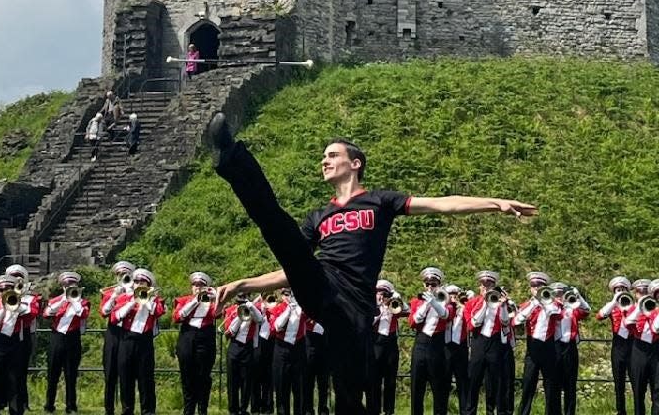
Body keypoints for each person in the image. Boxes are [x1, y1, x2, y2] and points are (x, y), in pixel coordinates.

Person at [208, 113, 537, 415]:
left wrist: (496, 204)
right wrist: (243, 284)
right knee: (277, 226)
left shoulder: (380, 201)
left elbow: (443, 205)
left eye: (332, 155)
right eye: (324, 156)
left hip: (354, 307)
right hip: (322, 283)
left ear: (355, 163)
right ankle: (231, 156)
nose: (324, 161)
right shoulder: (318, 217)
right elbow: (293, 269)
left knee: (351, 398)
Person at [112, 268, 165, 415]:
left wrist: (145, 299)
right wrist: (132, 302)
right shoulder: (124, 298)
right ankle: (127, 410)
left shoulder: (154, 300)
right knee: (125, 377)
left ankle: (148, 411)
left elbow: (158, 312)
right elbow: (115, 317)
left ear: (148, 285)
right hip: (127, 340)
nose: (138, 284)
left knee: (146, 379)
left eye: (142, 282)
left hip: (144, 342)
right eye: (136, 282)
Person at [513, 271, 561, 415]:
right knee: (528, 384)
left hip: (549, 348)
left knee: (551, 386)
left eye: (540, 286)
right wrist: (534, 303)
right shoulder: (528, 305)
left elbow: (557, 313)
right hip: (532, 349)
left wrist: (545, 301)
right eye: (534, 286)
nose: (537, 289)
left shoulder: (554, 304)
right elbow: (516, 321)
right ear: (530, 288)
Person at [0, 274, 31, 415]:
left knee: (15, 379)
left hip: (16, 344)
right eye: (3, 290)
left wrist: (15, 304)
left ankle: (16, 410)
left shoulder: (20, 303)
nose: (6, 292)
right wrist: (3, 309)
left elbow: (30, 314)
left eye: (9, 289)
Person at [464, 270, 510, 415]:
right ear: (479, 287)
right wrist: (484, 302)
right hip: (479, 342)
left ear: (494, 286)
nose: (486, 288)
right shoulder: (472, 302)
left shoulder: (500, 302)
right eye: (483, 285)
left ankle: (492, 411)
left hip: (495, 343)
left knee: (494, 381)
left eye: (489, 285)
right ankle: (470, 411)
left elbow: (505, 322)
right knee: (473, 380)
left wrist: (502, 305)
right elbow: (474, 323)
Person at [43, 272, 90, 414]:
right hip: (57, 338)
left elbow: (83, 314)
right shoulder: (56, 301)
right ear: (63, 287)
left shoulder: (82, 302)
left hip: (73, 339)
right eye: (66, 285)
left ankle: (71, 406)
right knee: (53, 374)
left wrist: (74, 301)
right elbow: (46, 314)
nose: (69, 287)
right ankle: (49, 405)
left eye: (72, 285)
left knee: (71, 374)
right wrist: (63, 300)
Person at [173, 271, 219, 415]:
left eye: (201, 286)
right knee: (187, 375)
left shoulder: (211, 302)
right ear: (192, 287)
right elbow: (178, 317)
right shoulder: (184, 300)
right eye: (195, 285)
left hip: (205, 337)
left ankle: (202, 410)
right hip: (187, 336)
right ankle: (188, 410)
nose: (198, 288)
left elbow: (218, 313)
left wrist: (216, 297)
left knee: (204, 376)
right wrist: (195, 300)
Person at [409, 267, 453, 415]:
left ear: (439, 285)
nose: (430, 287)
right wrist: (427, 303)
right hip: (421, 344)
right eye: (427, 284)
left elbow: (446, 315)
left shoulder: (446, 301)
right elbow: (414, 321)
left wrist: (434, 302)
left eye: (433, 284)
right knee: (417, 387)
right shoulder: (416, 302)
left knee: (438, 388)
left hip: (437, 345)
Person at [596, 275, 635, 415]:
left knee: (636, 380)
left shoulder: (634, 306)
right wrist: (614, 301)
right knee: (618, 382)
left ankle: (638, 410)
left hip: (633, 345)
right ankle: (620, 410)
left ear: (628, 290)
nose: (620, 292)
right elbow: (599, 316)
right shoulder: (611, 307)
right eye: (617, 289)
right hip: (618, 345)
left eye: (623, 289)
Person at [100, 261, 136, 415]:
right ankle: (109, 409)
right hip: (113, 334)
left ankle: (127, 409)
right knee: (109, 373)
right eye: (120, 275)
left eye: (126, 275)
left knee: (126, 373)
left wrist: (129, 292)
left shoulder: (136, 292)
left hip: (128, 335)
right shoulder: (110, 293)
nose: (123, 277)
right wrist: (115, 295)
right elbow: (104, 312)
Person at [6, 262, 40, 415]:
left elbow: (30, 314)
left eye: (19, 278)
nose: (16, 281)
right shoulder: (3, 295)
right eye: (13, 278)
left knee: (20, 371)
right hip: (6, 335)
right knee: (6, 370)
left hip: (24, 335)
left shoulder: (30, 297)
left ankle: (22, 402)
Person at [370, 279, 407, 415]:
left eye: (384, 294)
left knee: (390, 380)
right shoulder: (371, 307)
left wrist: (396, 297)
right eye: (379, 293)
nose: (381, 296)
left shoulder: (393, 305)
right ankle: (374, 409)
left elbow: (406, 310)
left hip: (391, 344)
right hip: (376, 343)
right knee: (375, 379)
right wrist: (379, 310)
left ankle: (389, 410)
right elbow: (369, 322)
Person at [553, 283, 590, 415]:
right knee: (555, 384)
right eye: (556, 294)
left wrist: (577, 295)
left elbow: (586, 310)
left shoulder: (572, 307)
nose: (559, 296)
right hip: (555, 347)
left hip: (570, 346)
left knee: (570, 384)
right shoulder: (551, 307)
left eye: (561, 294)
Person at [223, 295, 264, 415]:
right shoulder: (230, 311)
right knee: (232, 381)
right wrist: (240, 316)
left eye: (244, 300)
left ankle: (243, 409)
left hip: (248, 348)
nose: (242, 302)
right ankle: (233, 409)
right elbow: (229, 331)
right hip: (234, 346)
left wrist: (251, 307)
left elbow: (260, 319)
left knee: (247, 381)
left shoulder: (254, 310)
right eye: (240, 300)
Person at [268, 289, 306, 414]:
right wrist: (289, 309)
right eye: (287, 294)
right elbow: (276, 327)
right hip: (281, 349)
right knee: (281, 387)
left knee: (299, 388)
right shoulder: (279, 308)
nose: (290, 296)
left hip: (298, 348)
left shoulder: (303, 308)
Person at [627, 279, 659, 415]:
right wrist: (641, 306)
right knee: (638, 389)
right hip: (639, 350)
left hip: (656, 350)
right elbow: (628, 322)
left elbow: (656, 328)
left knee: (657, 390)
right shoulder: (635, 308)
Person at [444, 285, 469, 415]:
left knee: (463, 382)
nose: (453, 298)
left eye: (455, 295)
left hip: (461, 347)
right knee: (444, 382)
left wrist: (463, 306)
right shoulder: (444, 307)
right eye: (450, 295)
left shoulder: (464, 308)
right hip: (446, 348)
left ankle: (464, 411)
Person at [305, 316, 330, 415]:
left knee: (323, 383)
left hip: (324, 347)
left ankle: (323, 409)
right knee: (308, 382)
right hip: (310, 343)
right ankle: (308, 409)